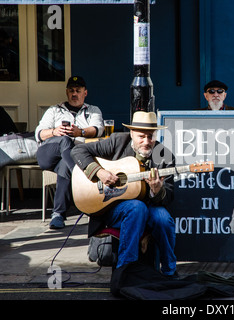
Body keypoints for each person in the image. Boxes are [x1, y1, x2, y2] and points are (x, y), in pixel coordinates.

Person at [70, 111, 177, 277]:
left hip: (150, 207)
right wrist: (99, 172)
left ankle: (170, 272)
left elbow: (169, 196)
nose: (147, 142)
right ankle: (125, 272)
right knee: (136, 207)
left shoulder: (165, 156)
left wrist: (157, 190)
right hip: (114, 208)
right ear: (132, 133)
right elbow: (78, 151)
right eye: (141, 136)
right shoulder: (118, 141)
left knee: (163, 219)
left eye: (151, 136)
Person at [35, 76, 104, 229]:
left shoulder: (93, 110)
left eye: (78, 91)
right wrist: (55, 131)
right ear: (67, 92)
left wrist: (81, 132)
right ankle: (82, 178)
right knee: (65, 140)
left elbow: (98, 130)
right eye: (71, 91)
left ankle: (58, 214)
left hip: (71, 157)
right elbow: (38, 134)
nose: (74, 94)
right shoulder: (54, 110)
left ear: (85, 93)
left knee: (64, 166)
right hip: (48, 154)